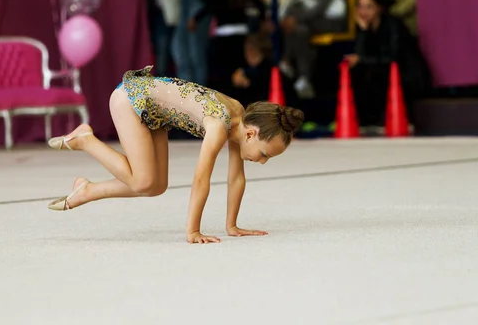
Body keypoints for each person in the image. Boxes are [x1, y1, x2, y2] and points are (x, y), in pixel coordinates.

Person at [47, 66, 304, 244]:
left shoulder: (240, 117)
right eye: (263, 154)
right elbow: (201, 180)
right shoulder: (218, 127)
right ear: (251, 135)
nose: (261, 161)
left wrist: (232, 226)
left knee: (156, 186)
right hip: (132, 98)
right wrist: (193, 231)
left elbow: (236, 178)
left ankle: (87, 190)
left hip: (156, 111)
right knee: (143, 182)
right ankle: (85, 140)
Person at [191, 0, 272, 96]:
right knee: (239, 75)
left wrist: (195, 18)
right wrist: (264, 20)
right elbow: (257, 3)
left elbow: (210, 5)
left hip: (223, 36)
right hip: (241, 35)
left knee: (222, 79)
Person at [347, 0, 430, 129]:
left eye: (369, 7)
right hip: (380, 69)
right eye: (360, 7)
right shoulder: (364, 27)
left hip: (405, 74)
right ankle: (367, 119)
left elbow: (392, 58)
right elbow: (360, 53)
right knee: (357, 72)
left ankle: (387, 118)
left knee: (371, 72)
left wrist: (361, 60)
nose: (363, 12)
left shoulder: (393, 25)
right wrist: (363, 32)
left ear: (379, 8)